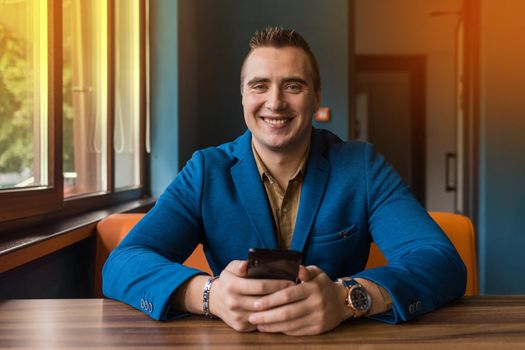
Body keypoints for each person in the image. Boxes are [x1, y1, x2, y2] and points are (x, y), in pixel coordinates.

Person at [103, 27, 466, 336]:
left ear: (316, 97)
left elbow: (441, 262)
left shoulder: (361, 167)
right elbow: (123, 263)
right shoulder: (205, 171)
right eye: (260, 86)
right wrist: (210, 294)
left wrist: (348, 298)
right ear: (243, 97)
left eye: (293, 85)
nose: (275, 103)